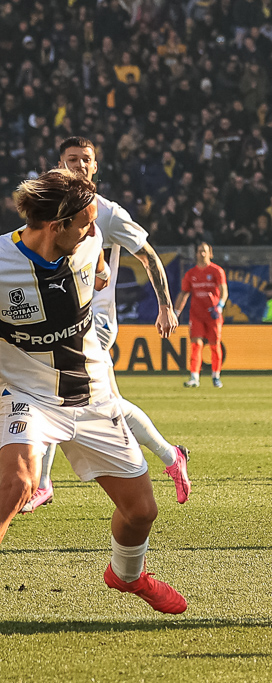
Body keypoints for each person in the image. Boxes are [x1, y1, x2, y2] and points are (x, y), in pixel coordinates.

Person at [0, 169, 186, 613]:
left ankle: (127, 577)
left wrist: (100, 274)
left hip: (94, 395)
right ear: (55, 225)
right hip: (28, 395)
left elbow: (100, 267)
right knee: (17, 484)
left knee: (142, 512)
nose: (93, 231)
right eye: (85, 223)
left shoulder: (88, 242)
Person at [21, 137, 191, 514]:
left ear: (95, 167)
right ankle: (171, 455)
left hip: (93, 323)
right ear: (59, 164)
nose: (79, 165)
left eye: (86, 160)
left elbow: (147, 255)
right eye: (72, 159)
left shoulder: (107, 213)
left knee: (51, 386)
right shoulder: (49, 207)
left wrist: (165, 306)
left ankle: (42, 483)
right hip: (58, 317)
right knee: (108, 406)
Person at [174, 242, 228, 389]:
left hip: (213, 314)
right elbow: (184, 293)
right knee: (196, 344)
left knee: (214, 345)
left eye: (204, 251)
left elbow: (224, 290)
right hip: (196, 315)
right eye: (199, 251)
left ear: (210, 254)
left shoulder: (217, 271)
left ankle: (216, 376)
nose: (202, 254)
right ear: (196, 254)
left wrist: (220, 306)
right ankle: (194, 377)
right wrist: (176, 312)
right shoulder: (191, 274)